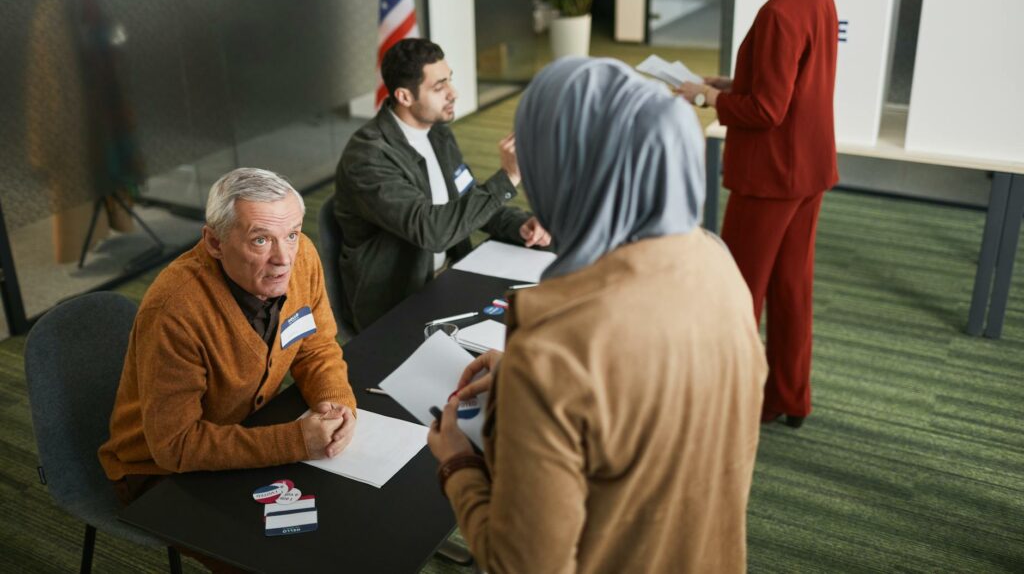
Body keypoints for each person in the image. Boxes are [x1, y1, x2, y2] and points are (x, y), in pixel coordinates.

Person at [427, 57, 768, 573]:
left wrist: (458, 465)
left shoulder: (556, 348)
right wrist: (525, 392)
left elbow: (523, 566)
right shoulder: (715, 260)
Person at [99, 168, 358, 504]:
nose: (284, 259)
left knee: (339, 511)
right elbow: (174, 446)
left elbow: (315, 345)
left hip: (247, 432)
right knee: (277, 551)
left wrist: (334, 402)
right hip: (160, 473)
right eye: (261, 240)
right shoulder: (176, 310)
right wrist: (294, 442)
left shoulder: (303, 256)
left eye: (291, 234)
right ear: (215, 243)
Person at [677, 0, 837, 428]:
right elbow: (791, 87)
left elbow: (767, 109)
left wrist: (705, 97)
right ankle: (791, 397)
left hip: (770, 177)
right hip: (808, 168)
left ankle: (732, 403)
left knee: (739, 293)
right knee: (793, 289)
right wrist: (726, 84)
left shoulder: (779, 11)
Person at [334, 38, 549, 332]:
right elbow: (432, 231)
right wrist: (508, 177)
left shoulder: (437, 133)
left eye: (450, 80)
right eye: (439, 87)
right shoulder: (368, 158)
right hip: (399, 301)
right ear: (405, 97)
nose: (453, 93)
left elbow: (466, 197)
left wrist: (519, 223)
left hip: (450, 274)